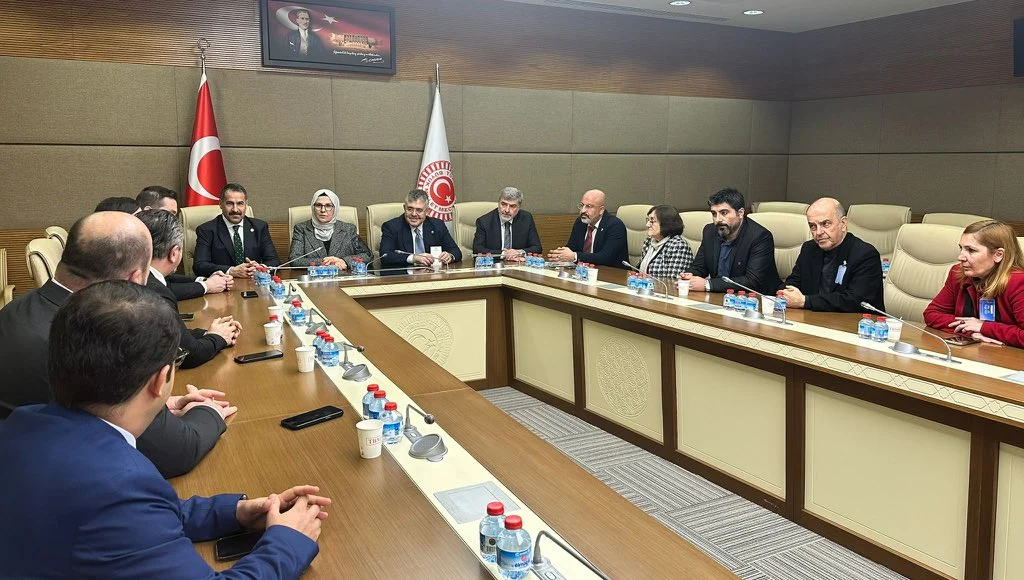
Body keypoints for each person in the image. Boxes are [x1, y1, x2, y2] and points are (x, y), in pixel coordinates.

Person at [0, 281, 329, 578]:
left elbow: (142, 516)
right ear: (161, 380)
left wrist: (235, 513)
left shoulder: (23, 424)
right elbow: (124, 509)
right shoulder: (117, 487)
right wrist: (288, 541)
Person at [0, 212, 233, 477]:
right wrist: (208, 412)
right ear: (134, 280)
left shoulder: (15, 309)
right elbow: (175, 452)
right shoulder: (96, 336)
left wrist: (158, 405)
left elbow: (79, 410)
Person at [137, 210, 241, 369]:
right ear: (174, 253)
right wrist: (218, 338)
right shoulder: (156, 292)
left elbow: (170, 335)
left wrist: (209, 333)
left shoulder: (137, 275)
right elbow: (189, 354)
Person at [923, 220, 1024, 347]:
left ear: (998, 255)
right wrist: (972, 331)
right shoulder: (958, 273)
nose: (961, 257)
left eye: (971, 250)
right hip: (972, 351)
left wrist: (984, 328)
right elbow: (931, 314)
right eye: (961, 248)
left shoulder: (1018, 282)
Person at [781, 198, 883, 312]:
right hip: (812, 317)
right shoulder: (809, 249)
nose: (818, 232)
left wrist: (806, 301)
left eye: (825, 224)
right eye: (813, 226)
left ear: (843, 224)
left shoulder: (865, 255)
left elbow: (856, 301)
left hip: (854, 320)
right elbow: (793, 282)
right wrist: (785, 293)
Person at [132, 186, 233, 300]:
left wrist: (204, 280)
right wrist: (206, 286)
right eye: (169, 214)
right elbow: (158, 289)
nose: (173, 219)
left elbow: (163, 279)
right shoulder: (130, 244)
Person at [679, 187, 781, 296]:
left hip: (754, 299)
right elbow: (699, 266)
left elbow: (752, 281)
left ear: (740, 213)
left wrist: (708, 284)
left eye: (724, 213)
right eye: (714, 214)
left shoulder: (760, 237)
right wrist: (689, 276)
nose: (717, 219)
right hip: (718, 295)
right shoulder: (710, 231)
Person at [193, 183, 282, 278]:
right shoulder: (206, 230)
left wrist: (260, 268)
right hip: (222, 283)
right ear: (221, 204)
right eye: (229, 203)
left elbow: (274, 261)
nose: (235, 209)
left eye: (240, 204)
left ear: (246, 205)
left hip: (252, 282)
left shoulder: (259, 227)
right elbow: (199, 266)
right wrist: (230, 271)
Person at [289, 189, 372, 269]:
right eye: (318, 205)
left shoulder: (348, 229)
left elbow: (367, 255)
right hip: (314, 276)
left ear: (335, 208)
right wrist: (327, 262)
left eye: (328, 206)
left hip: (343, 275)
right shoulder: (301, 229)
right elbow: (294, 260)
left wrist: (344, 261)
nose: (323, 210)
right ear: (313, 207)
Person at [379, 189, 462, 267]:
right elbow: (385, 256)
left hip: (433, 274)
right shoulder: (392, 227)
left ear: (427, 211)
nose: (414, 214)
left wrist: (450, 256)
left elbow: (456, 251)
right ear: (404, 208)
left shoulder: (437, 225)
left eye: (419, 210)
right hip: (405, 275)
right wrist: (413, 258)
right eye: (410, 209)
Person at [548, 189, 628, 267]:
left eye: (588, 206)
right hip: (586, 271)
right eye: (582, 205)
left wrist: (574, 256)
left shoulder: (615, 225)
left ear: (601, 210)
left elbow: (605, 257)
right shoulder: (580, 222)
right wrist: (560, 255)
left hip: (613, 272)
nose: (583, 210)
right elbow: (572, 247)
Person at [472, 186, 542, 262]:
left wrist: (519, 252)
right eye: (503, 204)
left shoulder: (526, 218)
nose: (507, 210)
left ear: (519, 208)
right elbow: (477, 250)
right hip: (494, 265)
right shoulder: (484, 221)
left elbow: (537, 248)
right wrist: (504, 254)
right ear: (498, 203)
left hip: (518, 264)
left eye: (512, 206)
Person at [636, 204, 694, 277]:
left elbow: (673, 280)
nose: (647, 225)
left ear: (666, 223)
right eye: (648, 220)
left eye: (652, 221)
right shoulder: (649, 240)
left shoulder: (678, 245)